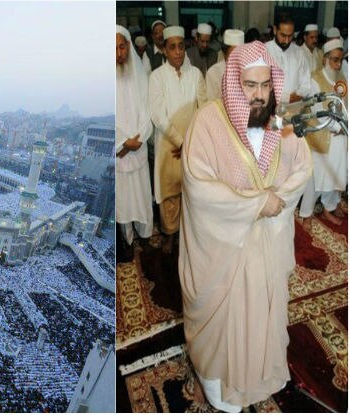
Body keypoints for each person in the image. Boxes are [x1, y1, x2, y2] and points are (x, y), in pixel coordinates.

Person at [179, 41, 312, 411]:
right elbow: (198, 184)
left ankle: (255, 378)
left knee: (263, 321)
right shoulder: (207, 122)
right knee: (225, 335)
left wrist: (278, 200)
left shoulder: (280, 122)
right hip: (225, 253)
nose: (258, 95)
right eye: (249, 85)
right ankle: (216, 387)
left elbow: (303, 166)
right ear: (235, 83)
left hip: (268, 245)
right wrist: (255, 203)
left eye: (265, 85)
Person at [149, 25, 206, 254]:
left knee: (191, 192)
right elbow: (158, 116)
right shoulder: (156, 77)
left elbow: (203, 110)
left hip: (193, 146)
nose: (177, 52)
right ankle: (170, 234)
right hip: (168, 145)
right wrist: (180, 142)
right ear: (164, 49)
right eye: (171, 47)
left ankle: (187, 235)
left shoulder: (196, 75)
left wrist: (191, 144)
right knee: (169, 194)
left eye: (181, 46)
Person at [298, 38, 348, 227]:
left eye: (340, 60)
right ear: (325, 58)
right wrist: (337, 127)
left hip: (340, 136)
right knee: (317, 177)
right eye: (334, 60)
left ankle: (330, 207)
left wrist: (345, 126)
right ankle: (307, 213)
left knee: (336, 173)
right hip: (321, 135)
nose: (337, 64)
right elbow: (318, 112)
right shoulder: (315, 79)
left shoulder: (341, 79)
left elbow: (346, 107)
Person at [116, 25, 153, 246]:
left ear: (128, 46)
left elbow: (149, 113)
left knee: (141, 199)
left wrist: (136, 141)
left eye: (122, 47)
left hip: (137, 149)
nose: (119, 54)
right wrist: (122, 142)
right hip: (120, 153)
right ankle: (128, 241)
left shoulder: (140, 76)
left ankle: (146, 237)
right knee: (124, 204)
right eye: (113, 49)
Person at [265, 15, 311, 103]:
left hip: (295, 107)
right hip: (272, 108)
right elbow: (263, 85)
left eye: (290, 36)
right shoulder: (264, 51)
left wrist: (298, 95)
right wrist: (287, 98)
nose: (287, 41)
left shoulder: (299, 52)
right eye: (283, 35)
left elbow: (306, 82)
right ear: (275, 30)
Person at [206, 29, 245, 101]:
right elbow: (211, 102)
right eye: (234, 53)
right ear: (224, 53)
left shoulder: (249, 71)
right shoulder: (213, 72)